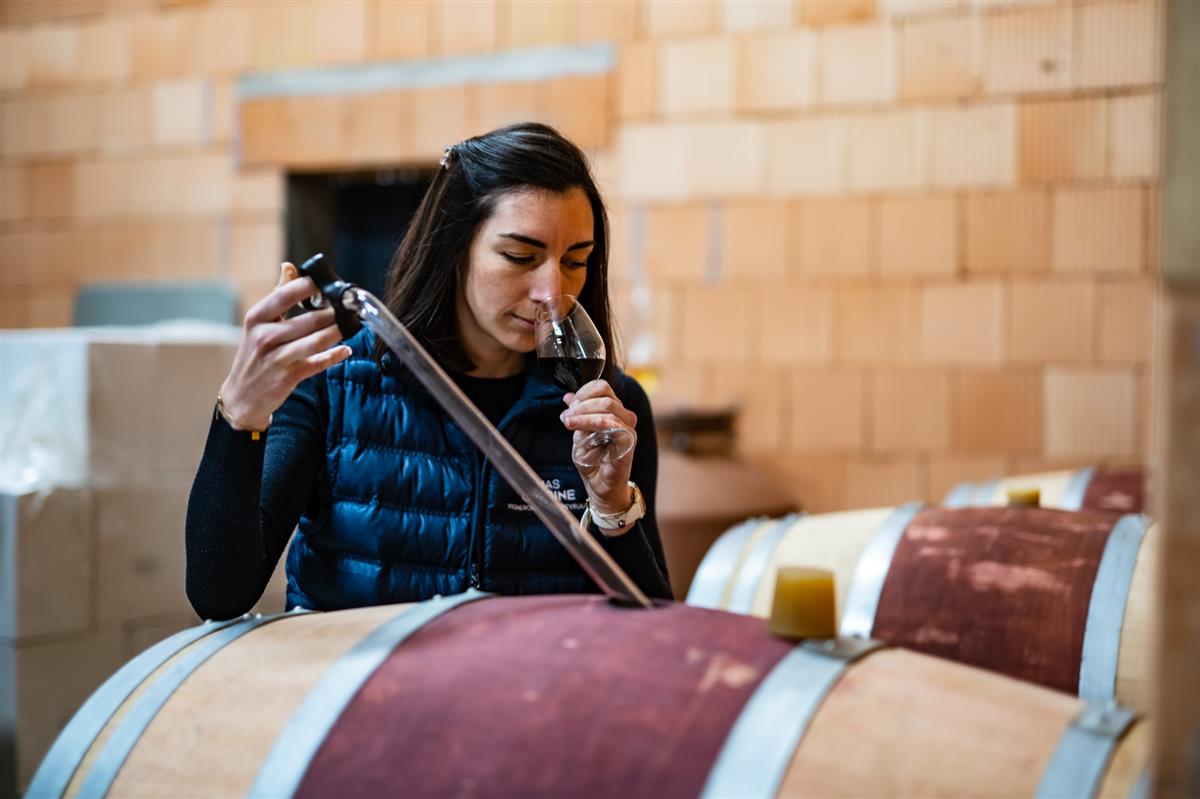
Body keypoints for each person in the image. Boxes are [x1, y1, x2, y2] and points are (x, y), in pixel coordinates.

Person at [186, 123, 672, 620]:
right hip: (365, 671)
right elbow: (219, 594)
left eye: (576, 261)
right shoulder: (335, 382)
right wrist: (240, 414)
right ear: (454, 245)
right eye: (520, 257)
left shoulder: (609, 410)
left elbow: (650, 626)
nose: (551, 292)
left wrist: (611, 507)